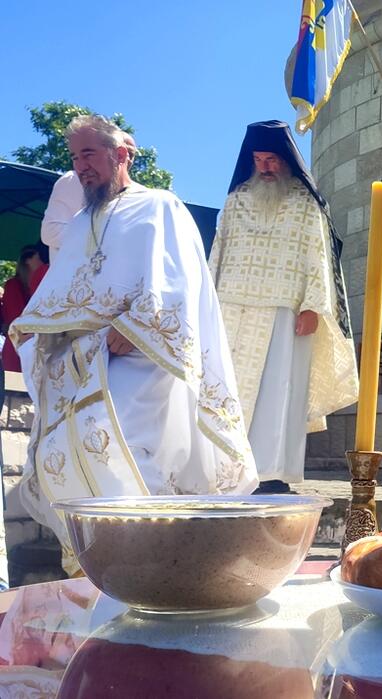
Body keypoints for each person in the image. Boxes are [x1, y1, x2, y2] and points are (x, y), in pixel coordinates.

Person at [9, 115, 257, 574]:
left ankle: (154, 563)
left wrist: (137, 326)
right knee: (57, 446)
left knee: (117, 432)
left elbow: (180, 282)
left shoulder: (160, 206)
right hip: (84, 358)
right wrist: (36, 329)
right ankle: (101, 566)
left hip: (143, 355)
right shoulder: (81, 223)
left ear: (120, 154)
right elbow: (63, 291)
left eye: (89, 154)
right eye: (74, 157)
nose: (80, 167)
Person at [211, 120, 358, 494]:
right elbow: (218, 253)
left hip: (285, 311)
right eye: (259, 159)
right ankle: (225, 469)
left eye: (272, 159)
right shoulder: (236, 200)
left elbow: (317, 256)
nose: (265, 167)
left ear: (287, 160)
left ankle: (271, 474)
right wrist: (208, 302)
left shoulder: (305, 203)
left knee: (278, 395)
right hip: (232, 309)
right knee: (227, 394)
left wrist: (312, 305)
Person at [42, 134, 136, 265]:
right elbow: (50, 232)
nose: (128, 157)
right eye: (125, 150)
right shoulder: (73, 180)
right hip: (73, 276)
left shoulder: (136, 195)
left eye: (132, 153)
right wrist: (105, 237)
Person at [1, 246, 47, 373]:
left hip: (37, 351)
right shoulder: (13, 285)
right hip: (17, 350)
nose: (43, 263)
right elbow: (16, 319)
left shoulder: (40, 285)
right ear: (28, 260)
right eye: (39, 258)